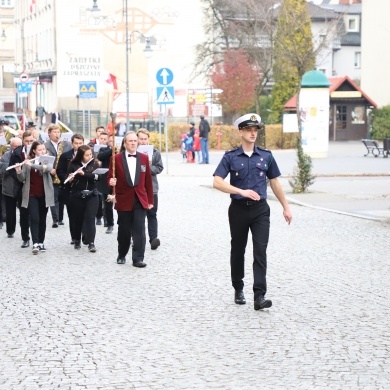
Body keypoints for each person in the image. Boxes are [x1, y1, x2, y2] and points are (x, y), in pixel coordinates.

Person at [213, 113, 292, 311]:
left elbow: (274, 182)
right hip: (238, 210)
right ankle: (238, 288)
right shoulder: (230, 157)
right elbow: (217, 182)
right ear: (241, 131)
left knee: (260, 251)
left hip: (260, 211)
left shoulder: (266, 156)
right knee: (238, 250)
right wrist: (240, 191)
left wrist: (286, 206)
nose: (252, 133)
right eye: (248, 129)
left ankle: (259, 295)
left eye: (255, 130)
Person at [107, 131, 154, 267]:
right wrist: (111, 182)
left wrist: (150, 201)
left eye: (135, 141)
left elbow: (148, 182)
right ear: (125, 143)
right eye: (130, 141)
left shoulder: (144, 158)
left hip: (140, 199)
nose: (133, 143)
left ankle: (138, 258)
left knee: (139, 229)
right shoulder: (115, 159)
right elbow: (109, 177)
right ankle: (122, 254)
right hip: (123, 199)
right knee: (124, 230)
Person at [15, 141, 54, 254]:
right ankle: (35, 243)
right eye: (40, 150)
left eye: (43, 149)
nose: (42, 151)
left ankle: (41, 242)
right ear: (34, 151)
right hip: (31, 194)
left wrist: (32, 165)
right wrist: (18, 171)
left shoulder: (47, 159)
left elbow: (46, 168)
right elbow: (22, 179)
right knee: (34, 218)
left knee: (42, 219)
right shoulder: (28, 162)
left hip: (44, 194)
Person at [67, 145, 100, 252]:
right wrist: (71, 178)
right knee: (78, 219)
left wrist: (84, 174)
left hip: (92, 194)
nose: (89, 156)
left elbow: (97, 177)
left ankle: (91, 242)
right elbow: (68, 182)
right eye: (87, 155)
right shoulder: (73, 164)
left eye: (90, 154)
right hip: (77, 195)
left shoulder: (95, 164)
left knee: (90, 218)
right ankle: (77, 240)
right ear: (81, 156)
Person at [3, 132, 33, 247]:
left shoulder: (37, 150)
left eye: (31, 141)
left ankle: (37, 239)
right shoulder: (16, 153)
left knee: (32, 213)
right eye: (27, 141)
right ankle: (25, 238)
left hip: (33, 186)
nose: (29, 143)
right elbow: (10, 169)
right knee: (23, 213)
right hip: (20, 186)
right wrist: (20, 177)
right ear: (23, 141)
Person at [137, 128, 164, 250]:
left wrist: (148, 168)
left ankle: (153, 239)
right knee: (138, 215)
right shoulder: (133, 152)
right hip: (137, 188)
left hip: (151, 188)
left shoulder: (155, 152)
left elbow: (159, 167)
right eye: (141, 139)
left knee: (152, 214)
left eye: (145, 139)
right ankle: (137, 239)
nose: (143, 141)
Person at [56, 133, 85, 244]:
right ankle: (74, 236)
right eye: (76, 143)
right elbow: (60, 170)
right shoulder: (65, 156)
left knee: (84, 214)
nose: (78, 145)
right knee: (72, 214)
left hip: (83, 187)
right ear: (72, 144)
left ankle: (84, 234)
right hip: (70, 188)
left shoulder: (87, 155)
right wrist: (66, 178)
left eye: (80, 143)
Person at [44, 123, 72, 227]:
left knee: (61, 197)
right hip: (51, 174)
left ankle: (60, 218)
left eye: (58, 132)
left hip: (63, 173)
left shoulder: (66, 144)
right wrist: (50, 169)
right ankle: (55, 219)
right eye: (54, 132)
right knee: (54, 197)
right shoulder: (45, 145)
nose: (57, 134)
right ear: (49, 134)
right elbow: (44, 159)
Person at [97, 133, 115, 234]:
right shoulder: (104, 149)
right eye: (111, 141)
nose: (113, 143)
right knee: (108, 204)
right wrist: (111, 150)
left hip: (118, 180)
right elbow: (100, 157)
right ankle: (109, 224)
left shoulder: (121, 151)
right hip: (107, 180)